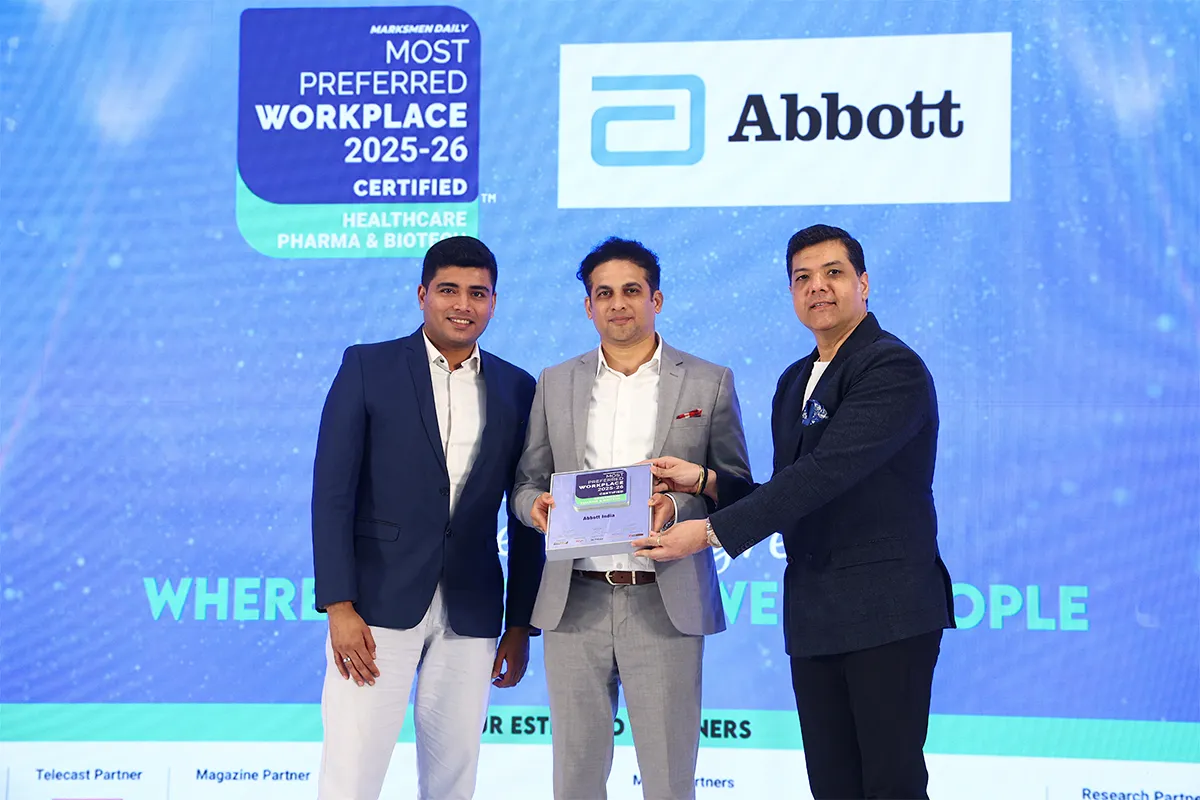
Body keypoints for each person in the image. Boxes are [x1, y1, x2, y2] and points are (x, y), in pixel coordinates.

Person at [638, 224, 955, 800]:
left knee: (891, 784)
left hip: (886, 611)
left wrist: (708, 533)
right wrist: (705, 481)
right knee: (831, 786)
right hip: (815, 614)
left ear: (863, 283)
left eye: (834, 273)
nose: (818, 287)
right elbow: (792, 491)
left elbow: (825, 474)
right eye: (802, 278)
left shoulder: (891, 367)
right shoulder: (793, 381)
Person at [511, 237, 752, 800]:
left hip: (664, 601)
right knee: (575, 780)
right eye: (604, 293)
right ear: (588, 306)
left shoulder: (709, 381)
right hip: (574, 601)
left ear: (656, 299)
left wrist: (677, 506)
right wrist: (535, 507)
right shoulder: (555, 382)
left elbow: (735, 488)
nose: (618, 304)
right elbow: (525, 483)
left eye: (631, 291)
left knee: (668, 782)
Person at [310, 236, 544, 800]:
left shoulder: (518, 387)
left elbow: (527, 512)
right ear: (422, 295)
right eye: (448, 290)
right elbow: (332, 494)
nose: (463, 305)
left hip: (473, 607)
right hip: (375, 606)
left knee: (454, 778)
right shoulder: (368, 366)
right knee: (351, 774)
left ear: (494, 302)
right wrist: (339, 605)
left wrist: (519, 623)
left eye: (478, 293)